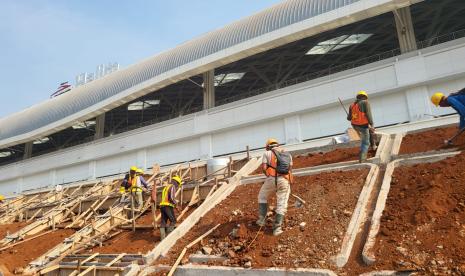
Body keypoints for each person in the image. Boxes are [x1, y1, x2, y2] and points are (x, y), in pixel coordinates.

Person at [256, 138, 292, 236]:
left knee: (262, 197)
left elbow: (264, 168)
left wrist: (268, 176)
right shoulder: (287, 154)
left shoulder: (267, 153)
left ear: (268, 146)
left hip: (271, 179)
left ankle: (261, 221)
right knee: (281, 203)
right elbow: (290, 168)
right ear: (278, 145)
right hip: (284, 180)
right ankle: (277, 229)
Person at [347, 90, 375, 162]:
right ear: (365, 97)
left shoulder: (351, 105)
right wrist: (372, 124)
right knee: (366, 142)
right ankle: (362, 159)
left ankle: (373, 145)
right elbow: (369, 115)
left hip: (355, 125)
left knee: (368, 133)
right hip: (362, 126)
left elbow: (349, 118)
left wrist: (349, 115)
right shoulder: (365, 103)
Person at [159, 175, 183, 240]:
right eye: (178, 184)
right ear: (176, 182)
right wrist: (176, 205)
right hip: (167, 206)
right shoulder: (172, 186)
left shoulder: (166, 187)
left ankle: (162, 239)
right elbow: (172, 198)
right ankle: (169, 238)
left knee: (163, 222)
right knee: (173, 220)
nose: (177, 186)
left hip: (162, 206)